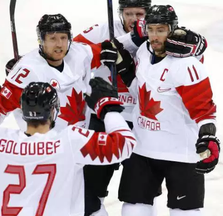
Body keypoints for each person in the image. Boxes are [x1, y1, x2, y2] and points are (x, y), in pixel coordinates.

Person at [73, 0, 208, 215]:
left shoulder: (162, 37)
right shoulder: (103, 30)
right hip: (105, 119)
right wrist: (126, 41)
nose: (134, 19)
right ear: (120, 14)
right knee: (91, 187)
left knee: (140, 195)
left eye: (139, 13)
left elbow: (192, 59)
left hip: (142, 122)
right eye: (128, 13)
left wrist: (200, 44)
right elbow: (70, 53)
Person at [0, 78, 136, 216]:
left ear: (22, 112)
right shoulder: (70, 142)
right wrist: (107, 107)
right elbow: (125, 145)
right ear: (54, 111)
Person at [111, 5, 219, 216]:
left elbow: (204, 109)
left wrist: (208, 136)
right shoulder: (143, 51)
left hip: (181, 152)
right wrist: (124, 68)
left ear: (173, 30)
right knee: (133, 209)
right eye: (151, 29)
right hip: (142, 147)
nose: (154, 36)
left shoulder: (186, 64)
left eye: (161, 30)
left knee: (185, 212)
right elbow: (140, 92)